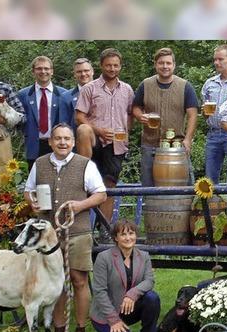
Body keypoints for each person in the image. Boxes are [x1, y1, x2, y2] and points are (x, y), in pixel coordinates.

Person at [24, 123, 107, 332]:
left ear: (72, 142)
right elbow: (27, 191)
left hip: (78, 231)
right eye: (58, 139)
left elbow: (101, 194)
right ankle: (59, 330)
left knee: (79, 281)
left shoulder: (85, 165)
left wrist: (81, 205)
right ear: (50, 142)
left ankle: (81, 329)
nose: (62, 143)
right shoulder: (40, 164)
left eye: (67, 139)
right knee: (55, 283)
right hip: (48, 236)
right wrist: (33, 203)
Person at [75, 48, 134, 222]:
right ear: (101, 66)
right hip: (94, 141)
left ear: (120, 67)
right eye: (108, 65)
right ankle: (83, 170)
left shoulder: (127, 89)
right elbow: (79, 116)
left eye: (115, 65)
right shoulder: (89, 88)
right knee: (83, 129)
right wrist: (98, 130)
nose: (112, 69)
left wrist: (126, 129)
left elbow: (132, 112)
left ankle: (105, 231)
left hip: (116, 144)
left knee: (109, 186)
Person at [90, 219, 160, 332]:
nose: (128, 238)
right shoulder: (104, 258)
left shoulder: (144, 256)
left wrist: (132, 294)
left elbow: (149, 280)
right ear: (116, 238)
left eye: (131, 233)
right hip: (106, 312)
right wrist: (114, 320)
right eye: (123, 234)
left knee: (152, 299)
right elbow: (99, 292)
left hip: (129, 308)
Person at [132, 47, 199, 186]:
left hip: (177, 145)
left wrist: (188, 140)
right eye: (161, 63)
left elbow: (193, 115)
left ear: (174, 65)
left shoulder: (185, 86)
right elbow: (135, 107)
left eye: (168, 63)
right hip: (150, 145)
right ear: (155, 64)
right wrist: (139, 116)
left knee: (182, 189)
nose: (165, 66)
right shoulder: (145, 84)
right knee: (149, 189)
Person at [200, 44, 227, 184]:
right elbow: (205, 113)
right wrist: (205, 112)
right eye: (215, 59)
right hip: (213, 135)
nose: (216, 63)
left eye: (220, 59)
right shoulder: (209, 83)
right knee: (210, 179)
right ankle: (212, 205)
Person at [18, 56, 68, 170]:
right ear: (33, 71)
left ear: (52, 71)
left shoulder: (64, 94)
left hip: (58, 145)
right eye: (39, 68)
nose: (43, 71)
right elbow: (18, 120)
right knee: (37, 184)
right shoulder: (23, 95)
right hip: (34, 145)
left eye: (46, 68)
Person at [60, 58, 94, 136]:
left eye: (86, 70)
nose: (83, 74)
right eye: (79, 72)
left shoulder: (105, 93)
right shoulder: (65, 97)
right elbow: (64, 126)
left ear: (92, 72)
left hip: (104, 143)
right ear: (74, 74)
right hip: (77, 144)